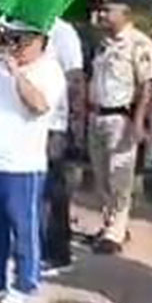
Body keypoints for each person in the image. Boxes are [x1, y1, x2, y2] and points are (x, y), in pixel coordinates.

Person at [0, 7, 66, 303]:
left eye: (22, 40)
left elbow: (38, 105)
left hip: (22, 167)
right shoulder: (1, 63)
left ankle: (24, 283)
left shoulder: (49, 70)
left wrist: (17, 73)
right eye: (13, 38)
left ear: (40, 41)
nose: (15, 45)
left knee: (23, 227)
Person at [86, 0, 152, 254]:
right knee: (101, 176)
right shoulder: (103, 43)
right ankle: (110, 225)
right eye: (102, 10)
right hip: (97, 115)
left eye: (108, 10)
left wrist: (139, 122)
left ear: (124, 12)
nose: (103, 14)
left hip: (121, 118)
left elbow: (146, 86)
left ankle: (115, 233)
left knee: (120, 176)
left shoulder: (139, 44)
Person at [43, 16, 85, 271]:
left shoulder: (63, 31)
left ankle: (57, 252)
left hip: (54, 124)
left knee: (53, 191)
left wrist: (76, 123)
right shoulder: (23, 23)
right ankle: (38, 246)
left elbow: (76, 79)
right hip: (28, 125)